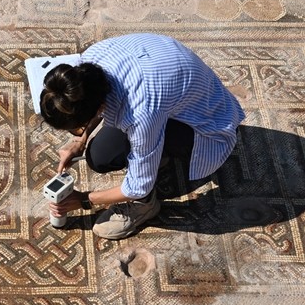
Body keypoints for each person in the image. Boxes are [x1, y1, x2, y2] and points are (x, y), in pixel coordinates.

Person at [39, 33, 245, 239]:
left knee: (122, 161)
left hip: (209, 126)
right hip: (176, 93)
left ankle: (145, 206)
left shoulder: (140, 113)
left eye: (77, 127)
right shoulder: (88, 63)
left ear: (99, 107)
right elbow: (96, 102)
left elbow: (138, 186)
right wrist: (80, 140)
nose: (79, 131)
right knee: (99, 155)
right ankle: (155, 155)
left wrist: (84, 200)